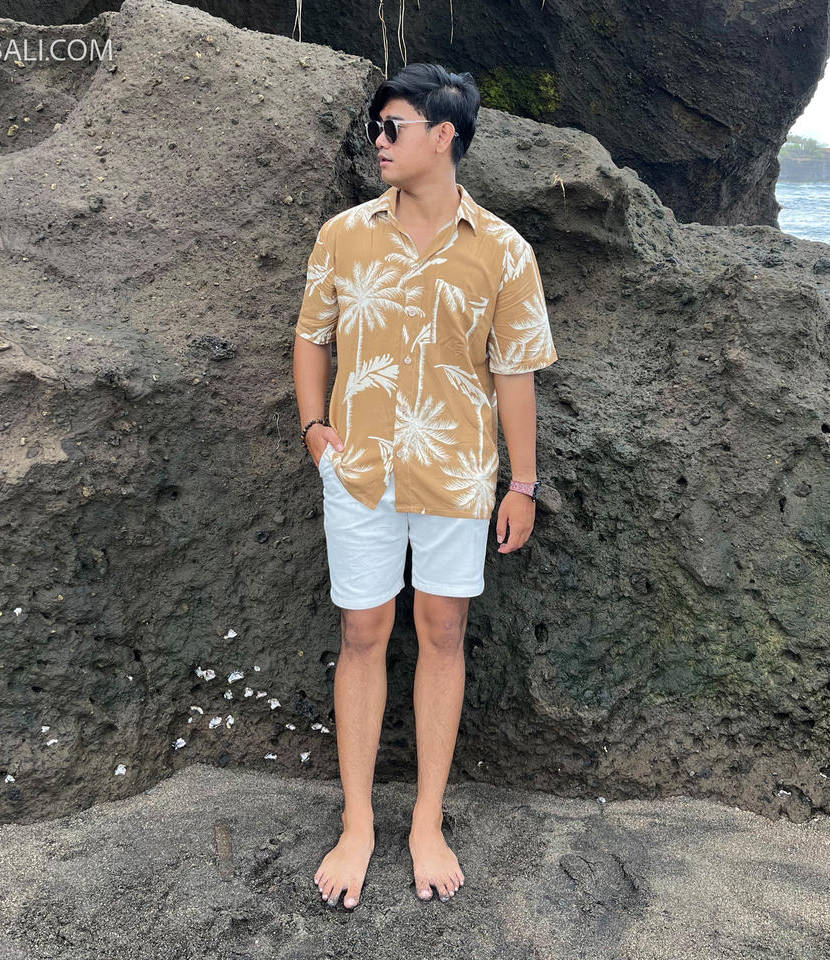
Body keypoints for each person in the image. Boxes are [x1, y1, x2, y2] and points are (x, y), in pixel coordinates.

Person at [292, 62, 558, 910]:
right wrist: (316, 430)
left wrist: (523, 484)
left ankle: (428, 820)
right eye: (377, 126)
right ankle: (358, 822)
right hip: (359, 470)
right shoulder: (344, 235)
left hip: (457, 474)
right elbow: (312, 336)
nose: (378, 140)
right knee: (362, 631)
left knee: (443, 631)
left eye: (393, 126)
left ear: (444, 136)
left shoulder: (505, 250)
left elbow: (515, 373)